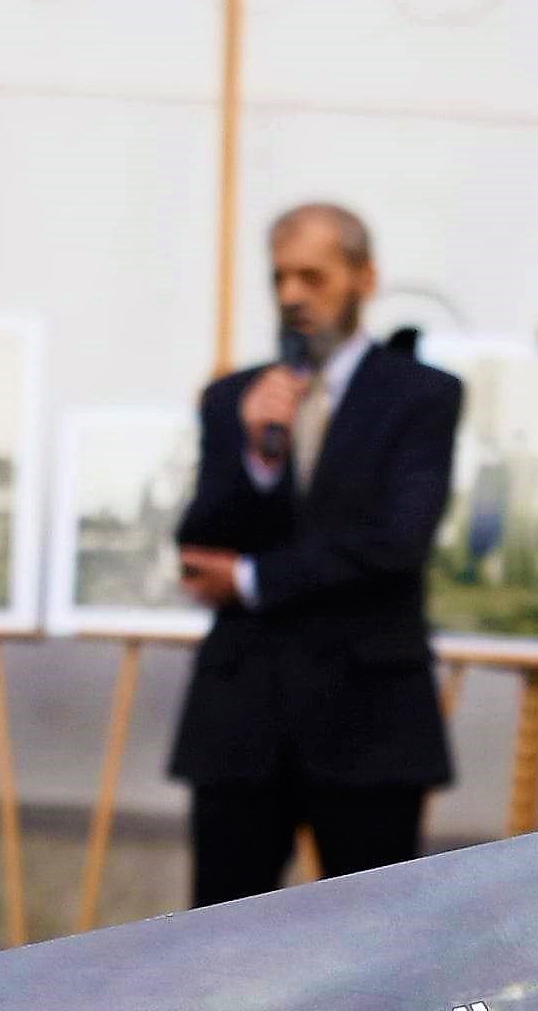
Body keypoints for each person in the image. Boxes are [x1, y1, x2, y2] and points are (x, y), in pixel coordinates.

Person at [169, 202, 463, 908]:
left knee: (371, 939)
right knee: (219, 941)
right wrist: (258, 457)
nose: (293, 294)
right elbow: (200, 546)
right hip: (242, 721)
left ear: (364, 277)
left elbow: (398, 542)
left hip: (369, 718)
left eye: (313, 276)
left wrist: (254, 577)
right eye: (280, 278)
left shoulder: (421, 395)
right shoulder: (235, 399)